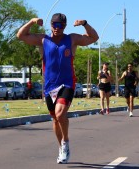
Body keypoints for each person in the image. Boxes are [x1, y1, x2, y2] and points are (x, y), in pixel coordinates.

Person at [16, 13, 99, 164]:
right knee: (55, 119)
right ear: (51, 25)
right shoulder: (43, 39)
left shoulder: (71, 39)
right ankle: (61, 147)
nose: (57, 28)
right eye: (54, 25)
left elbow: (94, 38)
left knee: (60, 114)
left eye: (60, 25)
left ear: (65, 26)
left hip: (67, 83)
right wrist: (32, 21)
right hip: (49, 86)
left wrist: (85, 23)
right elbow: (20, 36)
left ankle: (66, 143)